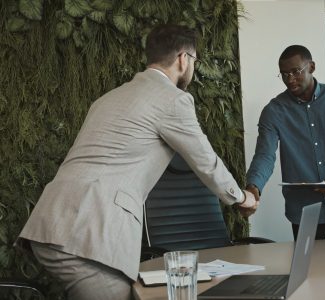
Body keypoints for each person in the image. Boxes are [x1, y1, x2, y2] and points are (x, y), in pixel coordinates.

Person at [15, 24, 258, 300]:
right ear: (183, 59)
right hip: (89, 233)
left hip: (55, 222)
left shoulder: (107, 98)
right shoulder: (172, 100)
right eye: (194, 60)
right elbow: (205, 161)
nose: (193, 68)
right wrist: (242, 199)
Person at [245, 45, 325, 240]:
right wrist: (254, 187)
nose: (290, 79)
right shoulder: (273, 111)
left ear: (311, 67)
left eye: (296, 71)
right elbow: (265, 155)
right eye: (284, 74)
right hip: (304, 209)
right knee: (310, 269)